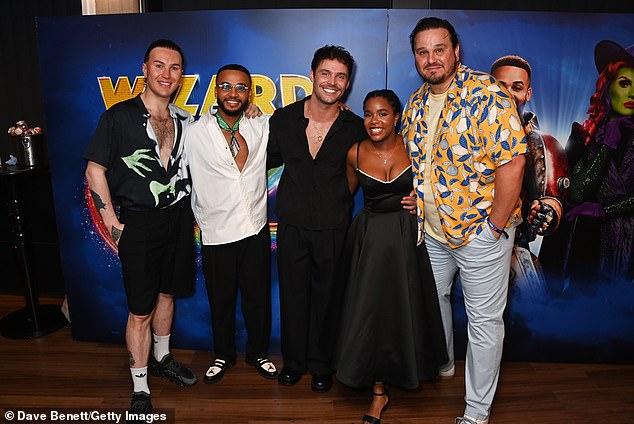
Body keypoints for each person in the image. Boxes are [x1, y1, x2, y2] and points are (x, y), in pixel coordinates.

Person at [401, 18, 527, 424]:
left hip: (480, 233)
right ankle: (444, 363)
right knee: (432, 300)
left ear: (456, 50)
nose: (431, 58)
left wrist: (494, 227)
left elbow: (514, 162)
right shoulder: (416, 103)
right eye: (423, 51)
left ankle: (476, 412)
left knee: (484, 322)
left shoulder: (488, 93)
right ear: (416, 57)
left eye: (440, 49)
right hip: (434, 233)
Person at [84, 39, 197, 418]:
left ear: (182, 75)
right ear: (145, 69)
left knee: (168, 295)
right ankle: (140, 385)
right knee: (140, 311)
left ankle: (163, 358)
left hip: (179, 220)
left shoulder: (185, 120)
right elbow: (94, 170)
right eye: (159, 66)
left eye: (175, 68)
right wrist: (113, 224)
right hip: (140, 223)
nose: (167, 74)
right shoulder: (118, 117)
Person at [335, 89, 448, 424]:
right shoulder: (354, 153)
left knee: (403, 309)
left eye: (382, 113)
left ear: (396, 116)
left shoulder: (415, 147)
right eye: (369, 114)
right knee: (370, 314)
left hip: (406, 239)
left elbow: (442, 183)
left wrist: (422, 200)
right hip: (369, 241)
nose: (374, 121)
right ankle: (377, 392)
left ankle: (405, 372)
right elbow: (345, 195)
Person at [267, 45, 368, 393]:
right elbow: (263, 160)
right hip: (291, 223)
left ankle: (323, 364)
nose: (332, 82)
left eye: (340, 76)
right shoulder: (282, 119)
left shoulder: (356, 127)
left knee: (329, 298)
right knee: (293, 296)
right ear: (312, 75)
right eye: (325, 74)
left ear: (347, 83)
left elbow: (377, 166)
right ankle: (294, 362)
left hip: (334, 225)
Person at [186, 64, 278, 384]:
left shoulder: (261, 125)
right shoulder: (194, 131)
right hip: (216, 233)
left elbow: (303, 120)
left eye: (241, 88)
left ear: (249, 92)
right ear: (216, 91)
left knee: (258, 300)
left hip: (254, 229)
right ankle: (222, 354)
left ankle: (257, 352)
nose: (233, 94)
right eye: (227, 87)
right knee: (221, 301)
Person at [491, 55, 570, 299]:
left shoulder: (544, 145)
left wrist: (545, 213)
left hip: (516, 255)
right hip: (467, 252)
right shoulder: (464, 137)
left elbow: (553, 199)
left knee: (527, 330)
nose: (509, 93)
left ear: (528, 93)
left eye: (517, 87)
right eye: (501, 86)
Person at [564, 40, 634, 283]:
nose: (633, 93)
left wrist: (603, 209)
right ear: (607, 87)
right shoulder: (583, 137)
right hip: (589, 252)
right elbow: (574, 193)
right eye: (625, 83)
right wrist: (607, 144)